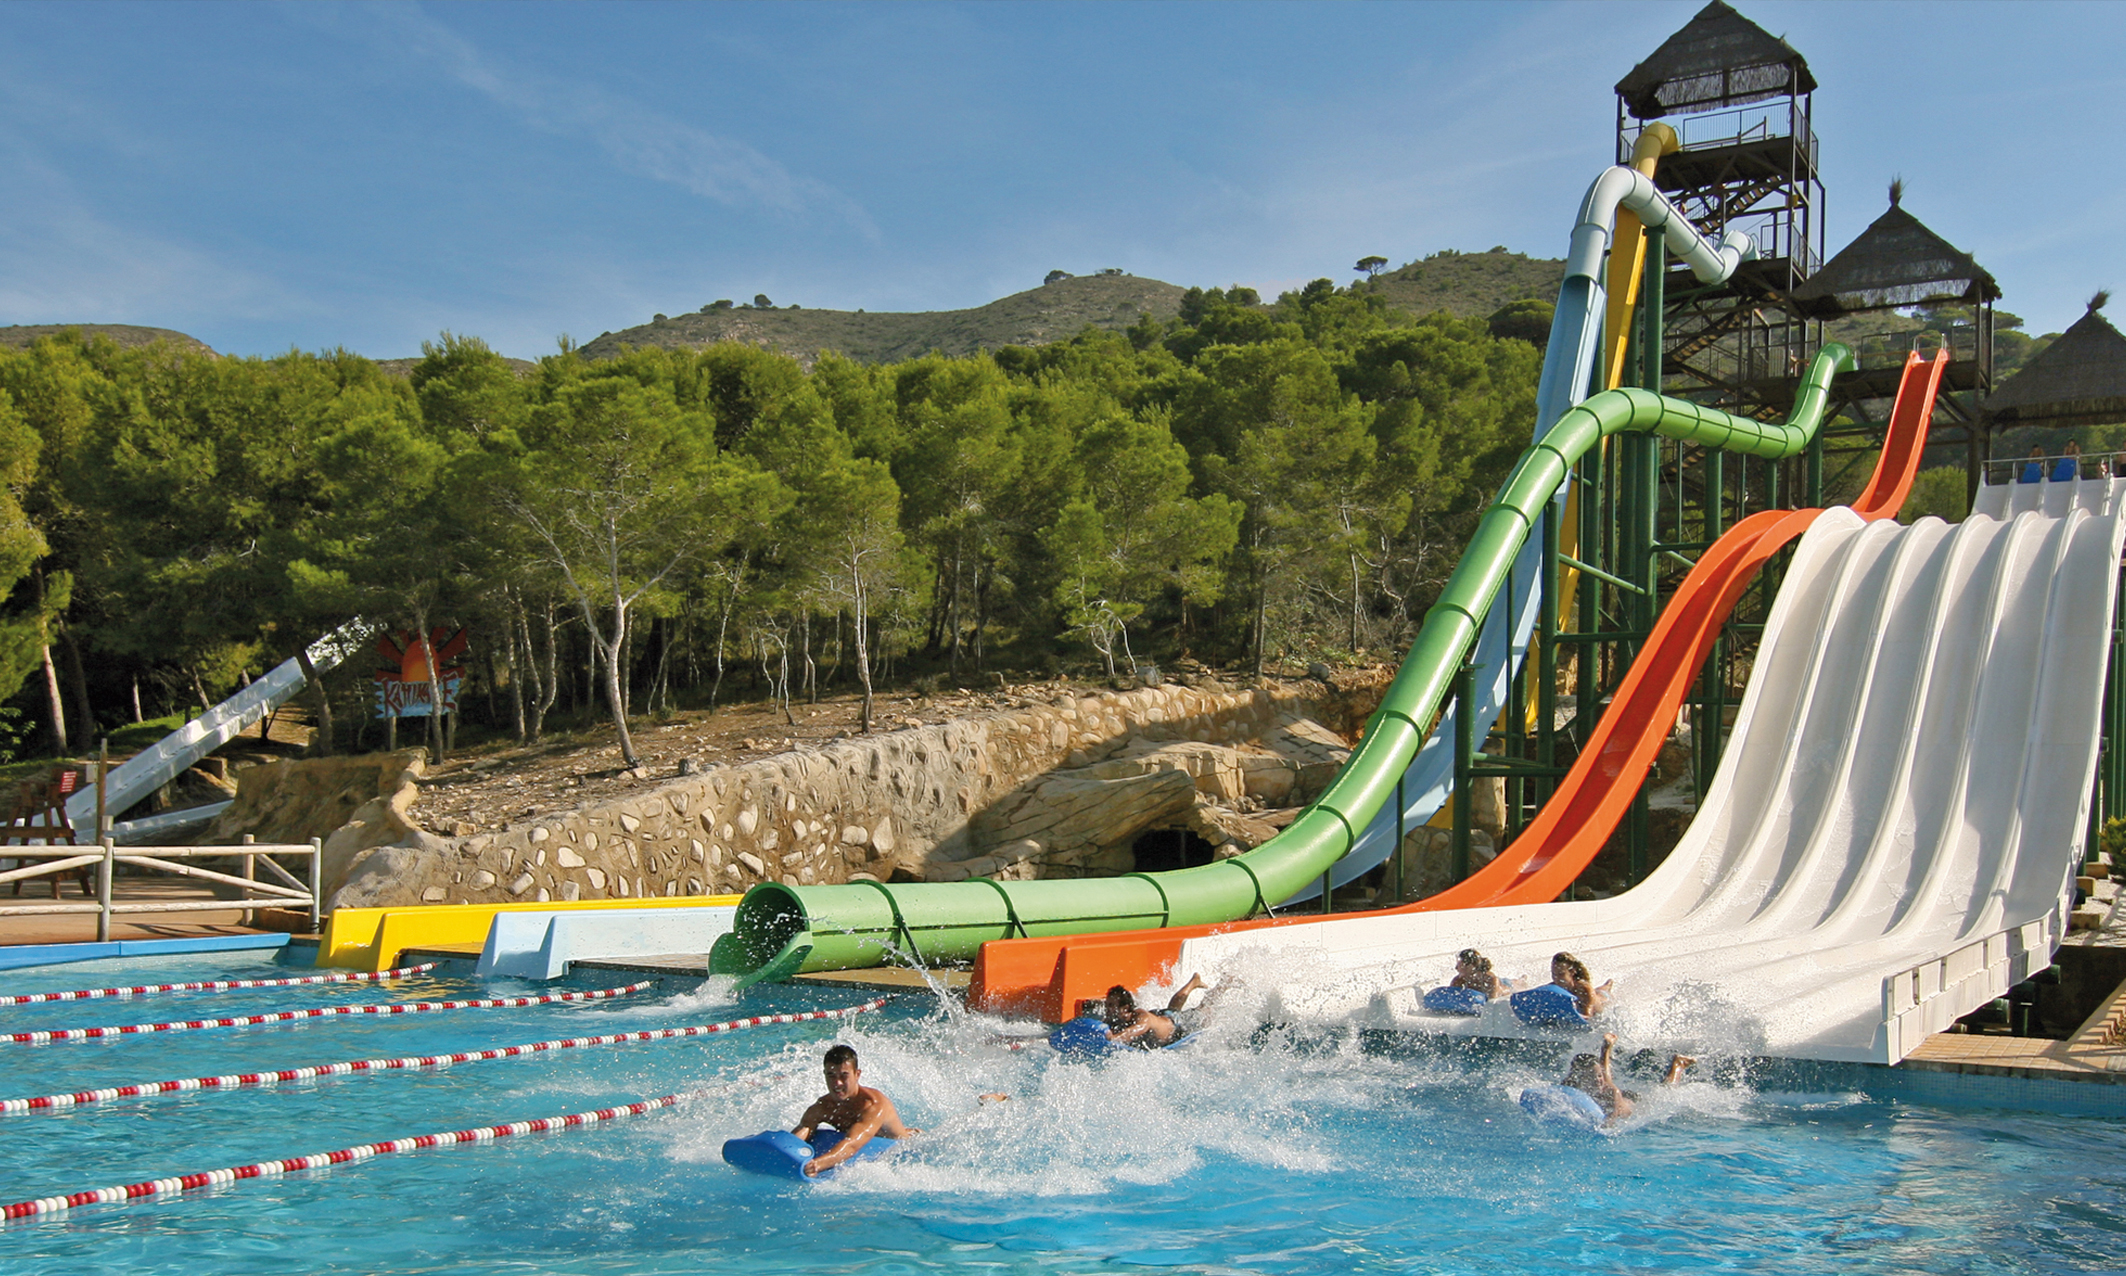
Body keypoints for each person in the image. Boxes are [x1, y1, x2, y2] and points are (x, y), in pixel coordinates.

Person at [791, 1044, 919, 1176]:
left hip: (903, 1147)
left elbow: (852, 1144)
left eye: (843, 1075)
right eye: (831, 1075)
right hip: (862, 1142)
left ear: (857, 1074)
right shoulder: (823, 1106)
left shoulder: (873, 1106)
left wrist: (817, 1165)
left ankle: (914, 1132)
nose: (837, 1083)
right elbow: (804, 1128)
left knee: (908, 1136)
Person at [1559, 1032, 1695, 1127]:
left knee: (1666, 1093)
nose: (1598, 1080)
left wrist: (1606, 1049)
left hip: (1633, 1106)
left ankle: (1678, 1065)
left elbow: (1611, 1122)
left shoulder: (1611, 1092)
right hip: (1620, 1096)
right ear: (1580, 1077)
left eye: (1599, 1076)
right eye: (1591, 1077)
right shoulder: (1571, 1085)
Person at [1103, 974, 1212, 1048]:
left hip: (1177, 1026)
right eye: (1107, 1004)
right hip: (1163, 1017)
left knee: (1203, 1009)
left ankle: (1223, 985)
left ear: (1125, 1008)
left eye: (1111, 1005)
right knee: (1173, 1010)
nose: (1107, 1008)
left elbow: (1136, 1029)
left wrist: (1116, 1038)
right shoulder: (1116, 1019)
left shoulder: (1142, 1018)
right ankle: (1193, 982)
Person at [1549, 952, 1612, 1019]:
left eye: (1561, 974)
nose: (1556, 978)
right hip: (1595, 993)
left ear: (1572, 972)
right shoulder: (1553, 986)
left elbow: (1589, 1017)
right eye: (1553, 974)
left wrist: (1569, 1016)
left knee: (1601, 992)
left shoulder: (1583, 989)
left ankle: (1609, 984)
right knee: (1596, 991)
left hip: (1603, 1000)